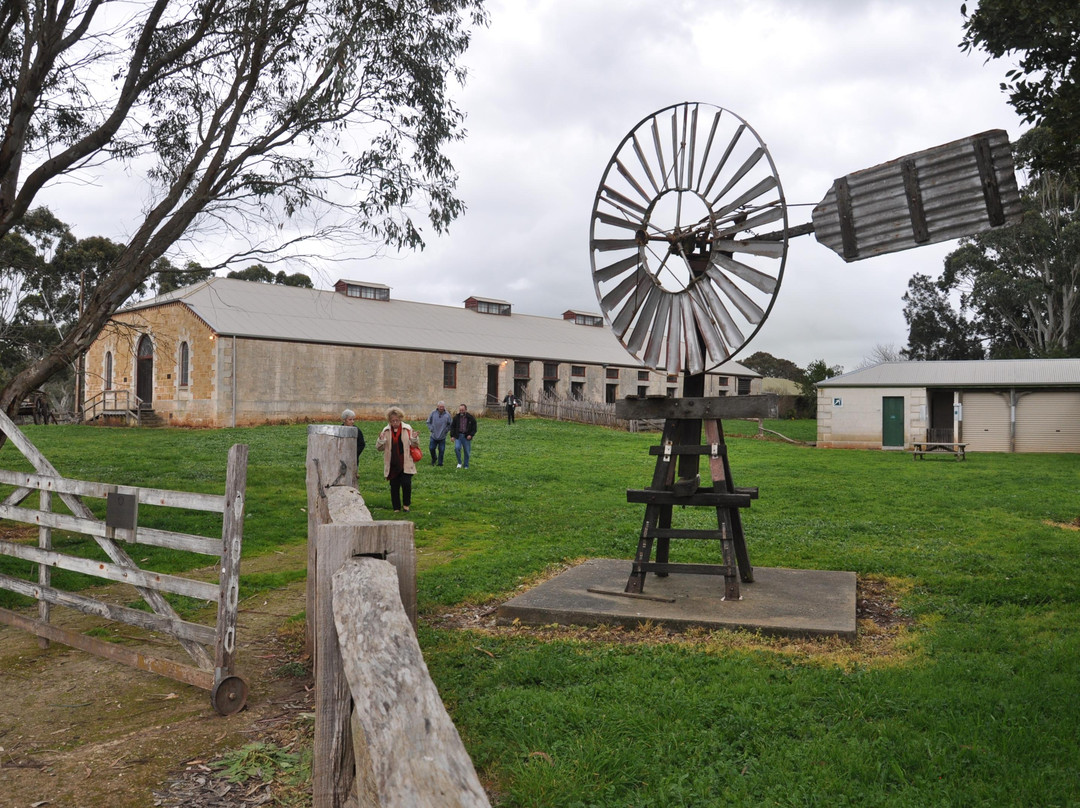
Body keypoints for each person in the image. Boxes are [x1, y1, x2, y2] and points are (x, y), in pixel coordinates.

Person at [375, 406, 420, 512]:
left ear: (400, 419)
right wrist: (381, 440)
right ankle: (396, 508)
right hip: (392, 463)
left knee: (406, 484)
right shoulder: (386, 430)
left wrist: (414, 438)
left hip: (405, 461)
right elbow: (379, 448)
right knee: (394, 486)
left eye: (397, 420)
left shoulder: (407, 428)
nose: (395, 422)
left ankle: (406, 505)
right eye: (392, 421)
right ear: (389, 421)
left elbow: (414, 445)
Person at [449, 403, 478, 469]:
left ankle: (466, 465)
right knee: (457, 448)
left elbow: (474, 428)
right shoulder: (456, 417)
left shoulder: (471, 418)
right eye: (460, 410)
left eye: (463, 410)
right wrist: (452, 436)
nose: (461, 411)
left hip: (466, 437)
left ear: (466, 410)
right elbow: (452, 427)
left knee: (467, 451)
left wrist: (471, 435)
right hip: (458, 436)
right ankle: (459, 462)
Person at [426, 400, 452, 466]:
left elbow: (450, 424)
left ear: (444, 407)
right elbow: (428, 422)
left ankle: (440, 463)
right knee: (431, 448)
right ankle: (434, 458)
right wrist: (431, 429)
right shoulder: (433, 413)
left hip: (442, 437)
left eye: (442, 407)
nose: (441, 408)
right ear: (437, 406)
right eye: (440, 406)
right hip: (434, 436)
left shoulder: (447, 415)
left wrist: (446, 430)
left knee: (441, 450)